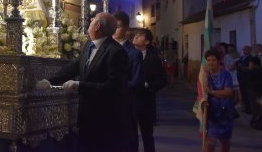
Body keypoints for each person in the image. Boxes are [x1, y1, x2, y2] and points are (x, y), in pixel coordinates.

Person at [36, 13, 129, 152]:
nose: (90, 20)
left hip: (106, 119)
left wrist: (80, 85)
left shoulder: (116, 52)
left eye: (93, 19)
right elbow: (73, 67)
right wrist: (48, 81)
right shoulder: (89, 45)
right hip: (87, 116)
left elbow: (114, 88)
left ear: (97, 26)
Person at [113, 11, 144, 152]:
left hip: (126, 103)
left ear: (126, 28)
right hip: (108, 104)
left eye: (118, 26)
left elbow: (136, 81)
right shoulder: (106, 48)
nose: (114, 29)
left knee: (128, 139)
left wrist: (114, 87)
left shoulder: (134, 54)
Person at [133, 28, 167, 152]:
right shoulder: (127, 54)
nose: (135, 37)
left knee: (147, 135)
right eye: (135, 35)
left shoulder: (153, 59)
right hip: (130, 101)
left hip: (146, 102)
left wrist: (148, 85)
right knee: (130, 136)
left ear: (147, 42)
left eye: (140, 36)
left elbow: (163, 81)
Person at [203, 49, 236, 152]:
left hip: (225, 113)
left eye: (213, 60)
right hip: (211, 113)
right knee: (210, 142)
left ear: (218, 61)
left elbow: (228, 92)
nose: (211, 62)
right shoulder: (205, 76)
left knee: (225, 141)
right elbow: (201, 94)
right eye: (208, 60)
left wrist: (212, 92)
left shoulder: (225, 75)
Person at [247, 56, 262, 130]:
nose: (249, 65)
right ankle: (255, 121)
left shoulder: (259, 71)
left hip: (257, 93)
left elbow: (257, 83)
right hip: (253, 92)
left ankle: (259, 123)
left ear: (254, 64)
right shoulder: (255, 71)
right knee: (254, 108)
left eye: (250, 63)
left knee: (257, 109)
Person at [235, 45, 253, 114]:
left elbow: (249, 68)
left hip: (246, 78)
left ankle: (249, 109)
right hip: (241, 78)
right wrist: (238, 66)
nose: (244, 51)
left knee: (246, 94)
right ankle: (246, 107)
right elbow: (237, 64)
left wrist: (241, 66)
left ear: (249, 50)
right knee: (243, 93)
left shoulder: (251, 58)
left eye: (246, 49)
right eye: (244, 50)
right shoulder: (242, 57)